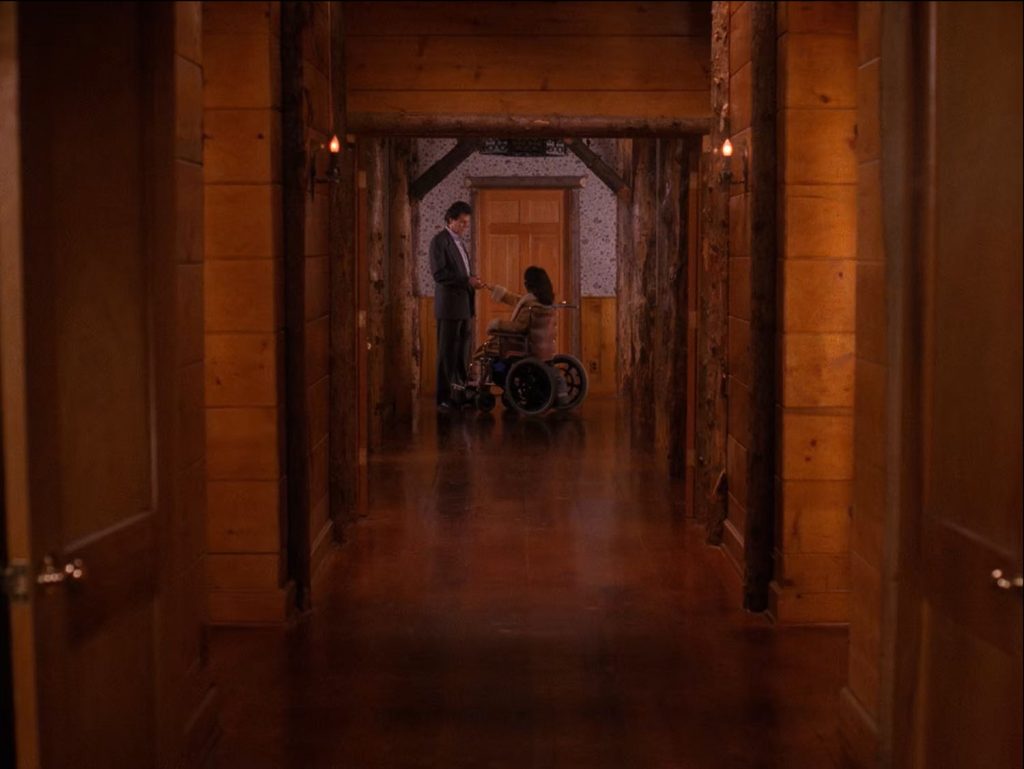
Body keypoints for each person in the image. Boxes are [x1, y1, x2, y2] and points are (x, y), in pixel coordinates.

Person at [486, 266, 569, 406]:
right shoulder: (544, 302)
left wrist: (496, 325)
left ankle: (508, 389)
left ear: (529, 284)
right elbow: (518, 300)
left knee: (494, 363)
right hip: (544, 349)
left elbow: (518, 328)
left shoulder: (530, 306)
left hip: (524, 348)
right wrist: (497, 291)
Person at [430, 201, 484, 410]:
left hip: (465, 306)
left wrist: (472, 279)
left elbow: (462, 274)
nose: (464, 226)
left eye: (467, 223)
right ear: (450, 219)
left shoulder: (459, 242)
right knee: (446, 353)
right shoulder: (439, 241)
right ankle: (444, 397)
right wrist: (466, 281)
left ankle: (460, 393)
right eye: (461, 222)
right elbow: (439, 274)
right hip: (450, 307)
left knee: (463, 352)